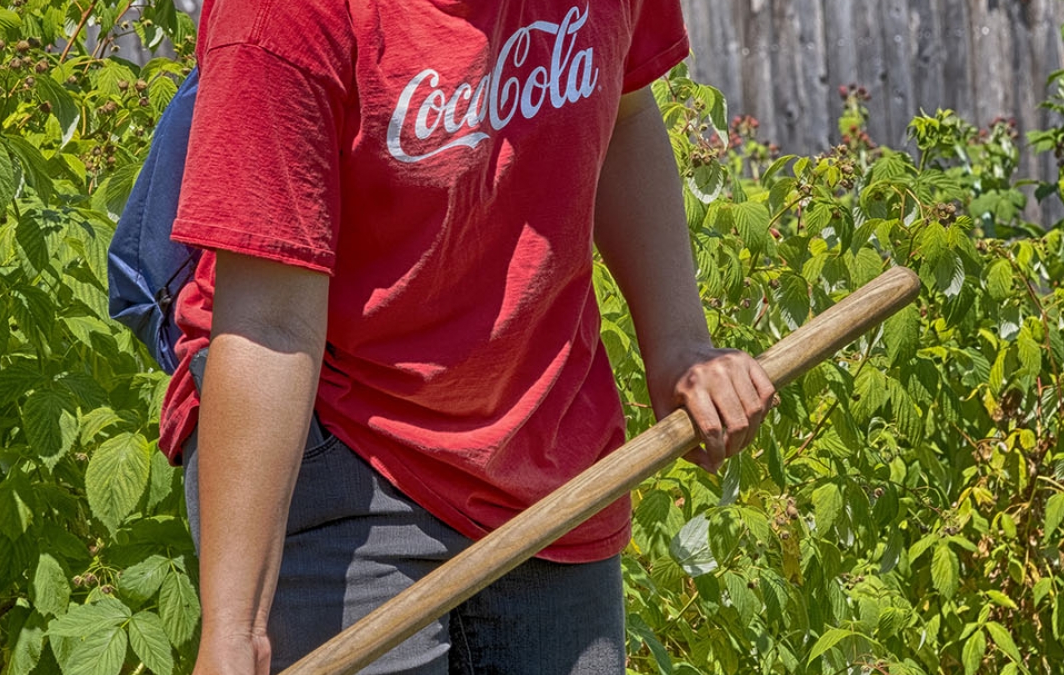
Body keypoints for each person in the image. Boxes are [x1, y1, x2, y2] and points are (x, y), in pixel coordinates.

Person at [157, 0, 777, 672]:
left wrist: (679, 342)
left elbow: (624, 108)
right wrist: (233, 630)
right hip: (337, 447)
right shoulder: (285, 14)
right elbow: (270, 324)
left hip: (545, 453)